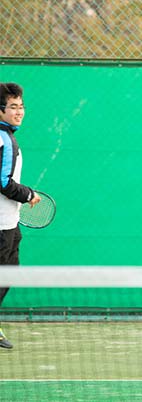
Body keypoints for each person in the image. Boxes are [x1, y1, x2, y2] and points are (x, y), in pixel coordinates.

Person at [0, 83, 41, 349]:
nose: (19, 112)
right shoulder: (3, 140)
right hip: (1, 226)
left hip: (10, 224)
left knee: (9, 273)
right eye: (13, 107)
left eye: (21, 106)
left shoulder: (8, 137)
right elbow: (3, 182)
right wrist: (28, 195)